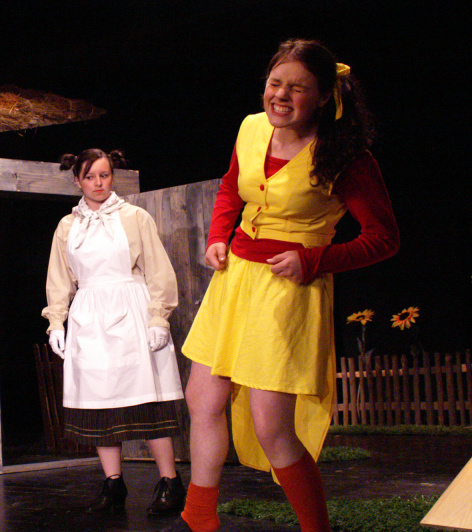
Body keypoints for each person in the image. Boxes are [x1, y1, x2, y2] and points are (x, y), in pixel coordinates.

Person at [166, 40, 400, 532]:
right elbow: (231, 186)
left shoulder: (345, 156)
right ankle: (199, 515)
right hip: (235, 280)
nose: (281, 96)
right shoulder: (252, 128)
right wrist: (218, 236)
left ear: (324, 96)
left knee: (272, 427)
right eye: (275, 83)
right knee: (202, 399)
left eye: (297, 88)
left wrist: (313, 260)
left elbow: (383, 238)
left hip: (289, 290)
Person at [42, 148, 186, 516]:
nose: (98, 183)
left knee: (148, 398)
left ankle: (170, 482)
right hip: (89, 317)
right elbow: (59, 279)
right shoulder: (67, 226)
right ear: (78, 181)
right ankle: (113, 483)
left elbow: (158, 269)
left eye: (104, 175)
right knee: (98, 402)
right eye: (90, 177)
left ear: (112, 177)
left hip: (132, 310)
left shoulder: (134, 217)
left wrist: (159, 318)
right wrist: (56, 322)